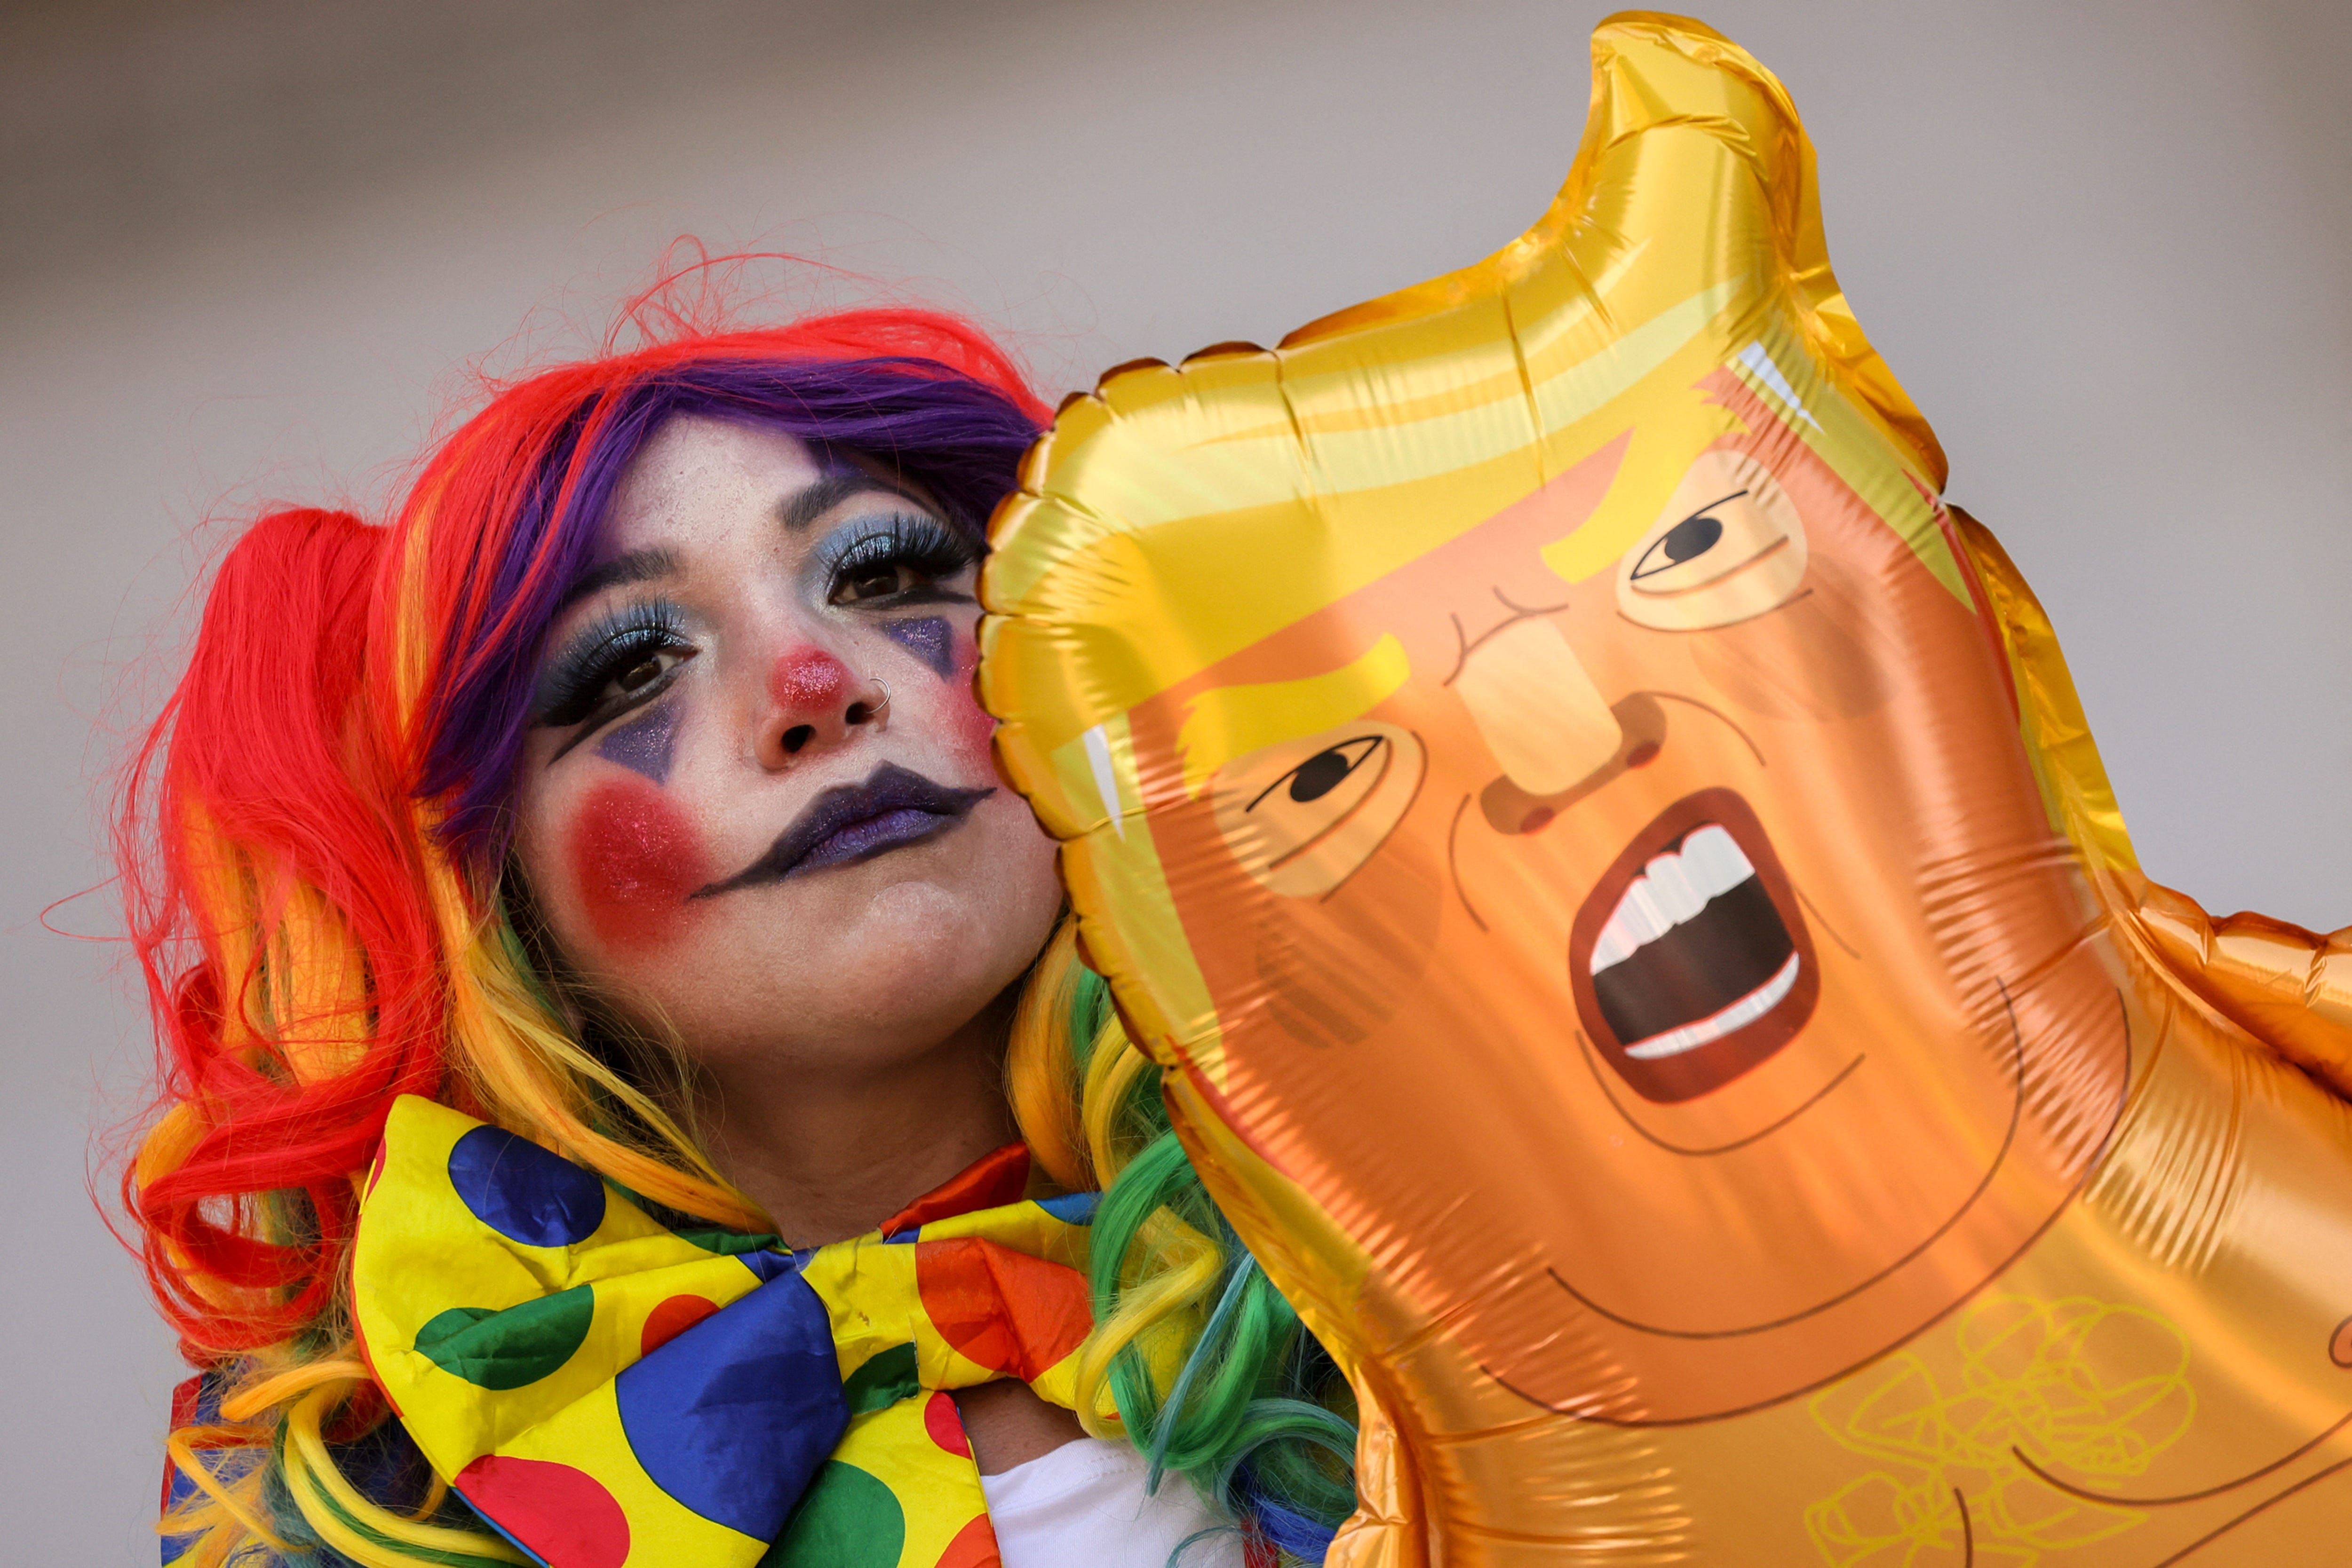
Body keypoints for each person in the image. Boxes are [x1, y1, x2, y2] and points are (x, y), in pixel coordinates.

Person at [120, 301, 1358, 1568]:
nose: (816, 687)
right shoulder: (354, 1520)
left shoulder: (1425, 1221)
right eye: (633, 668)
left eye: (880, 574)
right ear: (500, 901)